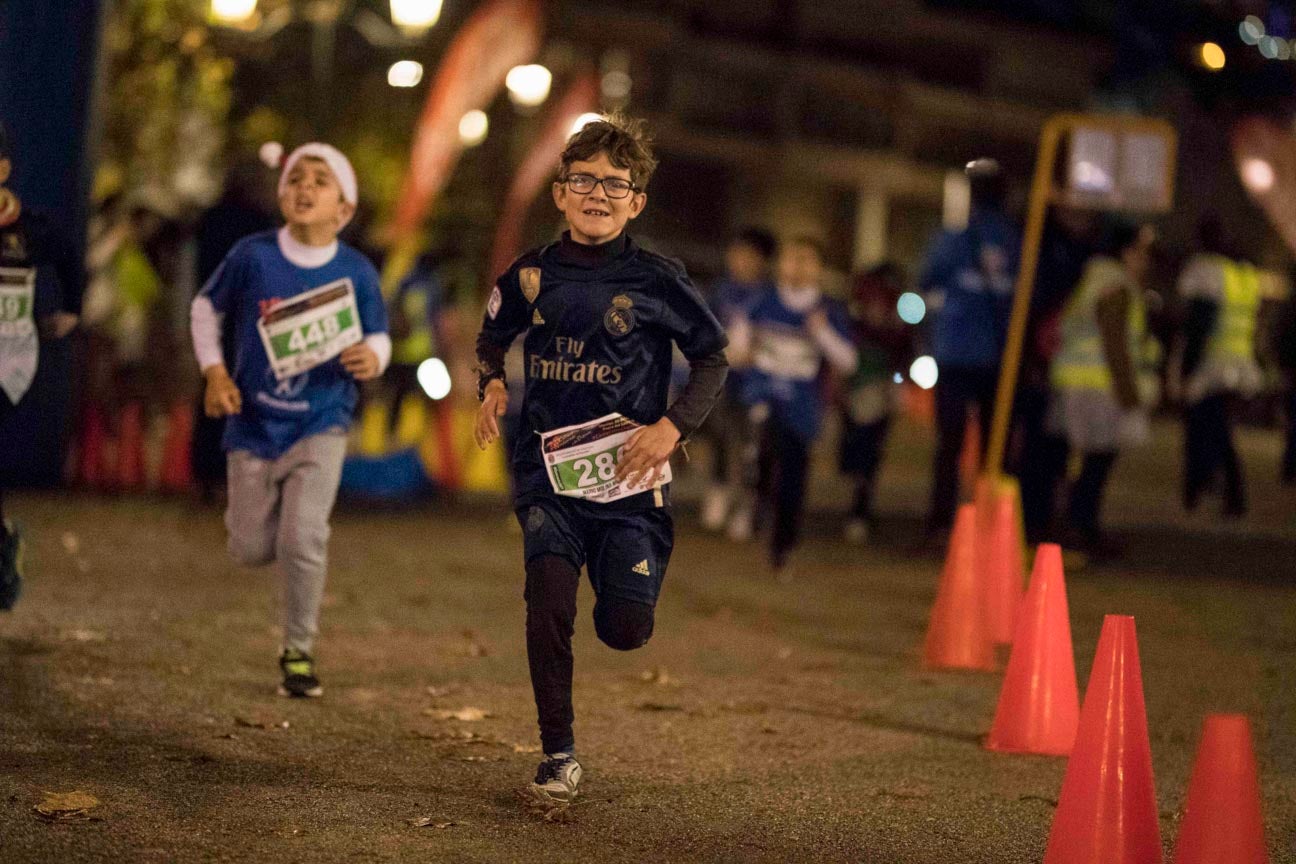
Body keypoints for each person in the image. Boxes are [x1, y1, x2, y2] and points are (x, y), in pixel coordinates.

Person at [473, 115, 728, 806]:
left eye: (616, 183)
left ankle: (628, 592)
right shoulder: (529, 275)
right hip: (546, 479)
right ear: (559, 192)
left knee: (624, 630)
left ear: (637, 201)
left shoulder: (657, 279)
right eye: (582, 179)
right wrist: (490, 383)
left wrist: (672, 427)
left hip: (629, 486)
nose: (598, 193)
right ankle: (558, 752)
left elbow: (712, 359)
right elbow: (491, 338)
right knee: (547, 604)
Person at [189, 143, 390, 697]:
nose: (305, 187)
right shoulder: (253, 256)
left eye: (321, 181)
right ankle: (274, 522)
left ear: (343, 210)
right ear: (282, 196)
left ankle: (298, 651)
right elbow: (207, 308)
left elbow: (378, 336)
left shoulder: (356, 271)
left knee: (304, 540)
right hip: (253, 424)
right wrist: (214, 372)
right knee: (249, 548)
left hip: (321, 423)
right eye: (296, 178)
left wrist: (373, 358)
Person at [729, 237, 857, 573]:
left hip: (802, 406)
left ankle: (783, 542)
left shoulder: (828, 311)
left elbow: (848, 362)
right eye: (791, 259)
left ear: (819, 269)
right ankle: (754, 504)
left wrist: (822, 333)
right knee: (762, 453)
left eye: (806, 260)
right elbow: (735, 348)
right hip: (763, 398)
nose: (797, 267)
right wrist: (742, 352)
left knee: (793, 476)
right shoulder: (760, 303)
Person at [0, 121, 84, 608]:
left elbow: (70, 260)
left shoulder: (31, 229)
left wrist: (71, 309)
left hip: (9, 361)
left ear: (5, 170)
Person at [919, 158, 1018, 536]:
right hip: (1000, 356)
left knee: (950, 443)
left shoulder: (953, 238)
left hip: (956, 351)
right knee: (997, 448)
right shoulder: (1018, 239)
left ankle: (942, 522)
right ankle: (993, 523)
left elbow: (928, 280)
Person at [1048, 223, 1158, 556]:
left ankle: (1075, 527)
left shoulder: (1091, 279)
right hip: (1099, 387)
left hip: (1074, 382)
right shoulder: (1115, 285)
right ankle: (1082, 529)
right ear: (1126, 251)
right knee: (1097, 463)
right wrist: (1130, 396)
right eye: (1141, 252)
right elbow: (1116, 345)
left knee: (1081, 462)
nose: (1145, 260)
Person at [1176, 218, 1262, 516]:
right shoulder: (1243, 275)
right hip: (1238, 364)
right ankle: (1226, 492)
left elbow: (1199, 325)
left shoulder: (1207, 272)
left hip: (1211, 365)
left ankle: (1201, 488)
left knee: (1203, 429)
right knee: (1221, 430)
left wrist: (1186, 368)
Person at [697, 227, 776, 532]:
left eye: (747, 255)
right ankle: (718, 490)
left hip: (758, 382)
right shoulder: (721, 291)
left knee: (752, 446)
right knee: (719, 435)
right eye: (735, 253)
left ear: (762, 259)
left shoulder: (769, 295)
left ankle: (749, 505)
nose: (738, 260)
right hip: (724, 378)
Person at [839, 261, 912, 544]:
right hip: (853, 394)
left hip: (880, 395)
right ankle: (856, 505)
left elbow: (902, 362)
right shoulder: (853, 324)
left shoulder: (898, 328)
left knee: (871, 454)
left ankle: (860, 511)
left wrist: (895, 385)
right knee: (852, 452)